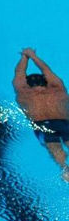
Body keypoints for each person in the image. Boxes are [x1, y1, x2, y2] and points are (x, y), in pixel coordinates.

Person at [14, 47, 69, 181]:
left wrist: (25, 57)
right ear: (46, 81)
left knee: (54, 147)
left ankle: (65, 169)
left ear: (27, 84)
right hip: (64, 122)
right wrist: (33, 56)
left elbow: (19, 73)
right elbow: (46, 70)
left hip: (41, 124)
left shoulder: (24, 92)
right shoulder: (57, 88)